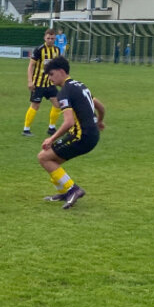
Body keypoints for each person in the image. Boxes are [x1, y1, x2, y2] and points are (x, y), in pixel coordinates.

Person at [38, 56, 106, 209]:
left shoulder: (64, 92)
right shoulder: (81, 86)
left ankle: (73, 189)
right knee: (52, 161)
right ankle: (64, 192)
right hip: (93, 135)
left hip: (81, 136)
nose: (50, 78)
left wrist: (51, 138)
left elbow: (69, 122)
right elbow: (100, 107)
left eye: (51, 74)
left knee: (43, 157)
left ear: (62, 71)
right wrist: (100, 121)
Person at [23, 28, 62, 137]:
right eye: (48, 38)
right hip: (38, 83)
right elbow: (31, 66)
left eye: (52, 38)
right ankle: (26, 129)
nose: (50, 40)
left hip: (50, 84)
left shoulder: (57, 50)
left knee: (57, 104)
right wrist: (30, 81)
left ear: (55, 39)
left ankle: (51, 128)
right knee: (35, 105)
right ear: (44, 38)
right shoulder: (39, 50)